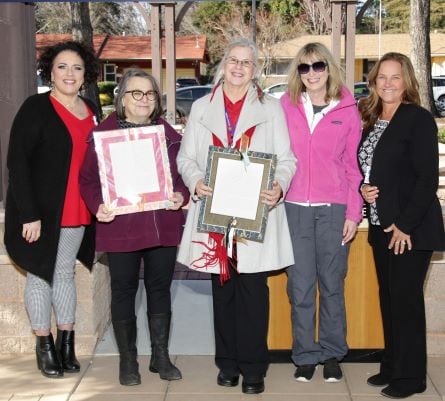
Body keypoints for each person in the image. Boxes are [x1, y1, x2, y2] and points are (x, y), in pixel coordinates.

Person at [176, 38, 296, 395]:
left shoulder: (271, 108)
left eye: (246, 62)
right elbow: (186, 159)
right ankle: (227, 364)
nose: (239, 67)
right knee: (223, 290)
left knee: (253, 293)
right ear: (222, 65)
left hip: (255, 212)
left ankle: (254, 368)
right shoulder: (200, 108)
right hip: (214, 212)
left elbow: (287, 160)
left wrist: (279, 186)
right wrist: (196, 181)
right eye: (233, 60)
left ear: (255, 69)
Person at [79, 68, 189, 386]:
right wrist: (98, 204)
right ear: (122, 99)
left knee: (159, 290)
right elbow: (87, 179)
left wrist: (179, 194)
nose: (144, 99)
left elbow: (181, 175)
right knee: (124, 291)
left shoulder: (169, 135)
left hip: (161, 225)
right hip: (121, 227)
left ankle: (160, 356)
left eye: (150, 93)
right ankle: (128, 361)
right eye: (136, 93)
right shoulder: (102, 136)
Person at [4, 41, 98, 378]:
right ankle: (44, 344)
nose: (69, 74)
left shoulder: (90, 110)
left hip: (77, 210)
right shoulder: (36, 107)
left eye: (76, 67)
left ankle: (66, 342)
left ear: (86, 73)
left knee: (63, 273)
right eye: (62, 67)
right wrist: (28, 214)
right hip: (40, 214)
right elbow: (18, 163)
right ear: (50, 71)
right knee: (40, 273)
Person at [358, 52, 445, 399]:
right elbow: (367, 168)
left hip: (409, 228)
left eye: (396, 77)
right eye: (382, 76)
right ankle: (393, 365)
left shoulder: (418, 118)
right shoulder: (373, 118)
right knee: (390, 297)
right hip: (381, 225)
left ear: (407, 81)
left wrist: (404, 225)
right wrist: (363, 188)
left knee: (406, 300)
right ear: (374, 81)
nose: (388, 83)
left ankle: (412, 378)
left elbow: (427, 178)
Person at [280, 42, 363, 383]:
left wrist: (353, 214)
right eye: (304, 67)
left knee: (331, 286)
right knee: (299, 288)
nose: (311, 73)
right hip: (294, 209)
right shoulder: (284, 106)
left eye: (318, 66)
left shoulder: (348, 109)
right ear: (297, 72)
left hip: (334, 210)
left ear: (329, 68)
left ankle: (331, 353)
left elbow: (352, 168)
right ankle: (304, 355)